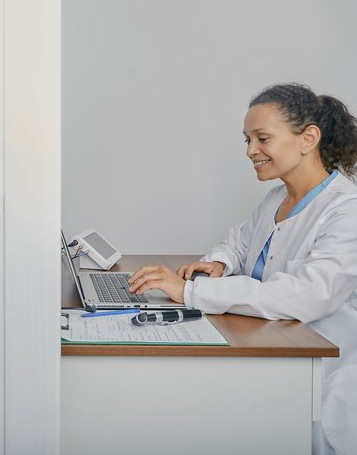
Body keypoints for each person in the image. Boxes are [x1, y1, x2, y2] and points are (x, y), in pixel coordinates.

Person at [128, 83, 357, 455]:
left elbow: (304, 295)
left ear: (308, 138)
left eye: (262, 138)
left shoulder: (347, 210)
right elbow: (240, 241)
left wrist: (190, 292)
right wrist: (220, 262)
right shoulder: (278, 197)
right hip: (272, 344)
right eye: (248, 140)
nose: (251, 151)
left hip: (325, 363)